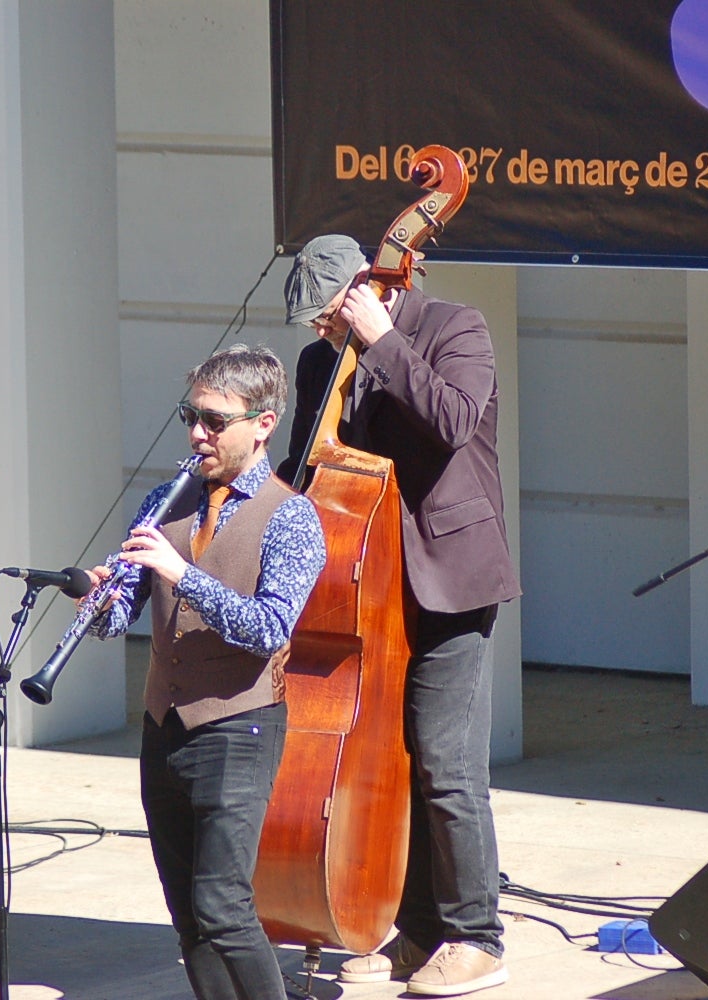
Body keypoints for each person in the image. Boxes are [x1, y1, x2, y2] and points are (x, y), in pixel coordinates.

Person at [279, 234, 520, 998]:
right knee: (392, 761)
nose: (321, 335)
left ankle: (478, 935)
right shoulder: (322, 362)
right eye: (315, 325)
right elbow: (303, 473)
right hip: (368, 591)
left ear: (364, 290)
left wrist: (381, 342)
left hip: (451, 577)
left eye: (328, 317)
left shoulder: (455, 328)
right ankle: (417, 931)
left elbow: (451, 421)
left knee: (447, 763)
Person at [86, 344, 326, 1000]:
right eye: (192, 415)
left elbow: (270, 629)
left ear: (264, 423)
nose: (198, 433)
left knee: (223, 906)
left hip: (238, 727)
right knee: (189, 916)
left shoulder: (293, 516)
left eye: (215, 422)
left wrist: (182, 574)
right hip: (163, 724)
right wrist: (99, 599)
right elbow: (118, 619)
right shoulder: (169, 499)